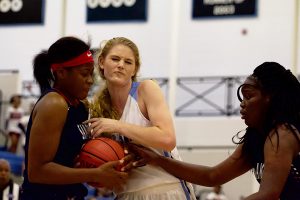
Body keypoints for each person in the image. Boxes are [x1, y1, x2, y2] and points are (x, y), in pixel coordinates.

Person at [129, 62, 300, 200]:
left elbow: (269, 195)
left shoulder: (283, 134)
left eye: (249, 96)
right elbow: (212, 176)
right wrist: (157, 159)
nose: (242, 103)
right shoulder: (256, 138)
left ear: (270, 98)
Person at [85, 37, 196, 199]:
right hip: (125, 193)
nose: (121, 65)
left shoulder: (146, 89)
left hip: (165, 188)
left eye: (128, 62)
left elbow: (168, 138)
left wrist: (118, 126)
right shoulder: (96, 108)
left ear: (134, 69)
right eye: (115, 59)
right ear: (102, 62)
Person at [20, 36, 129, 200]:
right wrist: (95, 173)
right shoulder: (54, 103)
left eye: (91, 74)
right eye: (84, 74)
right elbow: (37, 172)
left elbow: (67, 161)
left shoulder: (81, 106)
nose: (90, 81)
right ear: (62, 73)